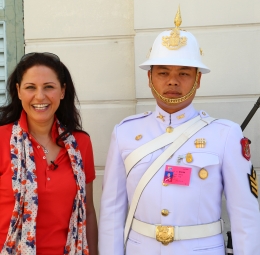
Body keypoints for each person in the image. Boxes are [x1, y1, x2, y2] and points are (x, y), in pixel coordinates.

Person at [98, 7, 260, 255]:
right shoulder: (125, 133)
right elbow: (111, 212)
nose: (172, 81)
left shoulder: (226, 135)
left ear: (198, 79)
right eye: (163, 72)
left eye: (183, 73)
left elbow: (245, 215)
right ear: (150, 77)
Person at [0, 52, 98, 255]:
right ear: (18, 91)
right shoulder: (2, 140)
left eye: (49, 87)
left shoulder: (81, 144)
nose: (40, 96)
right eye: (30, 87)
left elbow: (87, 211)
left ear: (62, 91)